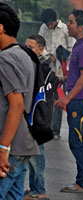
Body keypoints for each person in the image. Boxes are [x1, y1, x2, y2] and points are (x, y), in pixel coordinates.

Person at [0, 3, 40, 199]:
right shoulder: (25, 54)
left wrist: (2, 149)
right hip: (24, 143)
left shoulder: (5, 59)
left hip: (11, 148)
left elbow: (16, 104)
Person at [55, 9, 83, 193]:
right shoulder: (80, 45)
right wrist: (64, 79)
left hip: (81, 101)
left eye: (71, 22)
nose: (67, 25)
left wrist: (68, 97)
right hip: (78, 99)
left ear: (81, 27)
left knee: (78, 141)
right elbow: (78, 73)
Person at [39, 8, 76, 139]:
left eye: (51, 24)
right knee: (48, 97)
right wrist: (49, 56)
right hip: (49, 66)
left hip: (64, 67)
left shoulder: (65, 28)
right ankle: (47, 126)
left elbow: (72, 46)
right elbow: (40, 44)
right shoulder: (43, 28)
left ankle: (56, 130)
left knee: (60, 97)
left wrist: (62, 56)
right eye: (47, 24)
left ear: (56, 19)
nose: (49, 26)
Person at [23, 34, 51, 200]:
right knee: (32, 157)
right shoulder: (31, 65)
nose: (27, 50)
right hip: (30, 118)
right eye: (26, 46)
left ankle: (39, 190)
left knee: (36, 157)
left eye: (31, 47)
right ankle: (34, 188)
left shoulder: (42, 68)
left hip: (37, 119)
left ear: (41, 50)